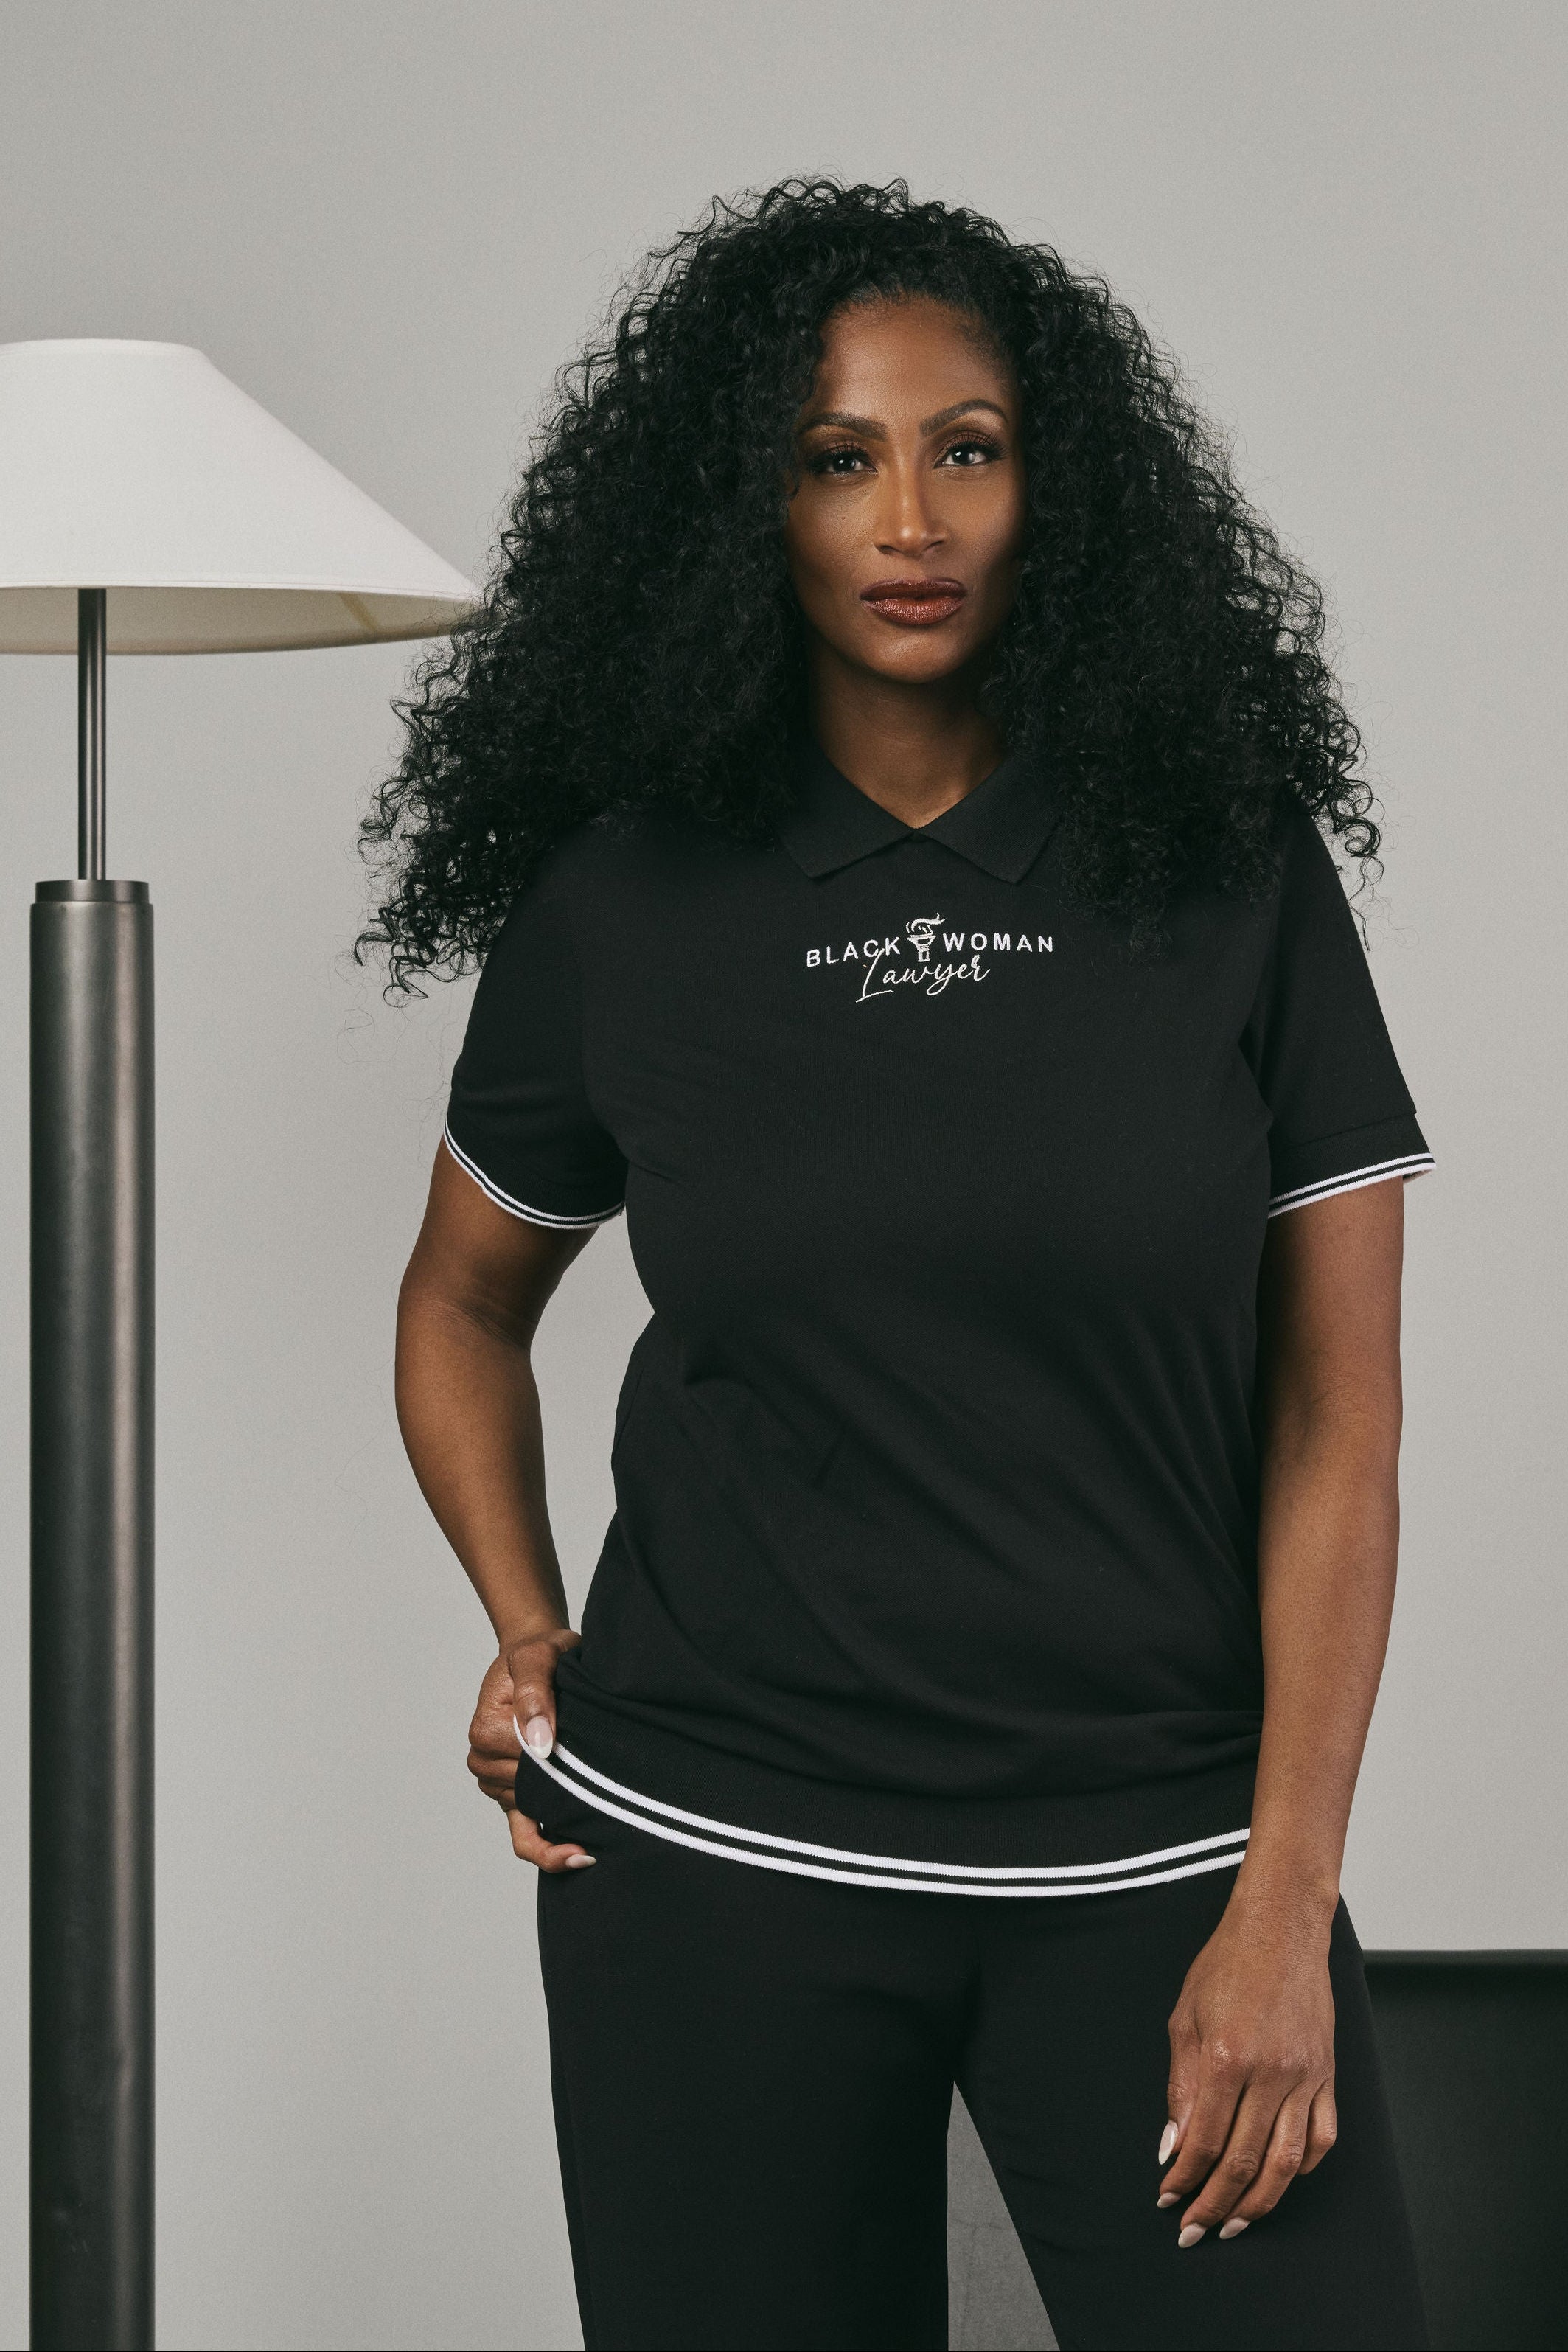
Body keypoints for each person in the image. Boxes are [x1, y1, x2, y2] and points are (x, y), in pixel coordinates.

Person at [367, 181, 1432, 2352]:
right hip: (712, 1869)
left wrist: (1285, 1899)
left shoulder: (1223, 867)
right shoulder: (626, 902)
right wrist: (528, 1624)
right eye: (836, 457)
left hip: (1158, 1867)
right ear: (741, 509)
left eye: (969, 444)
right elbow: (462, 1307)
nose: (910, 514)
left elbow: (1342, 1412)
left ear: (1060, 488)